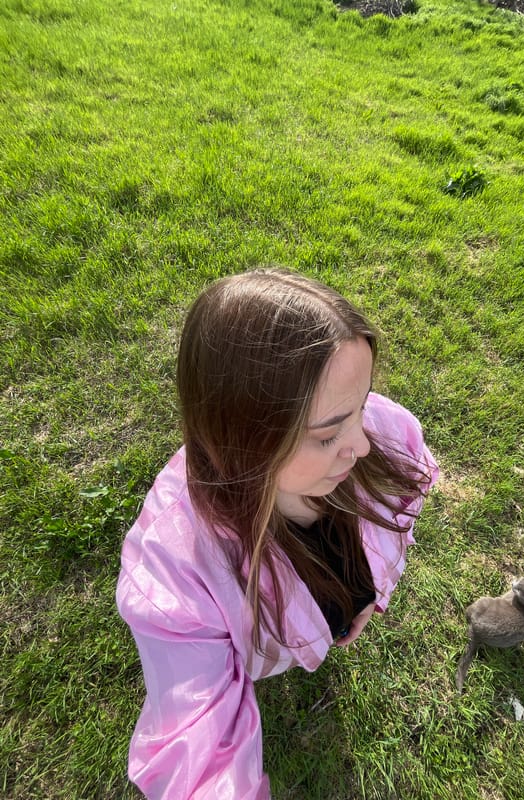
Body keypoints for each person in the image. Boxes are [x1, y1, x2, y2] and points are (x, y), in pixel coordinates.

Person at [116, 268, 438, 799]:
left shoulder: (379, 430)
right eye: (329, 433)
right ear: (244, 438)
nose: (361, 443)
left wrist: (371, 599)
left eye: (359, 407)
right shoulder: (176, 568)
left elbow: (406, 491)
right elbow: (196, 755)